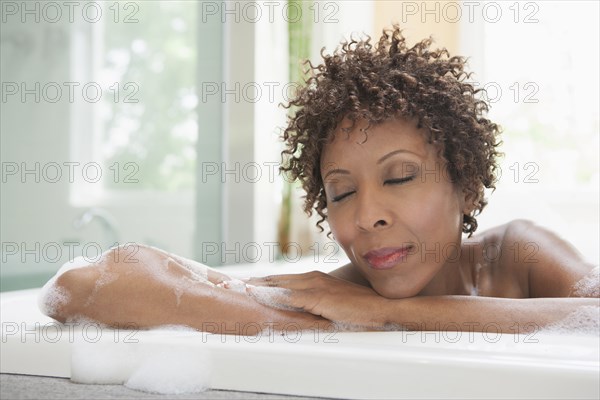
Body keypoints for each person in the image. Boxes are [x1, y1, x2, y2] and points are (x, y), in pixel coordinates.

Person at [42, 26, 598, 335]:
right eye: (342, 192)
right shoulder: (339, 295)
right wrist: (314, 319)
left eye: (400, 176)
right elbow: (82, 286)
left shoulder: (517, 257)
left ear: (468, 184)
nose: (366, 216)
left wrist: (387, 315)